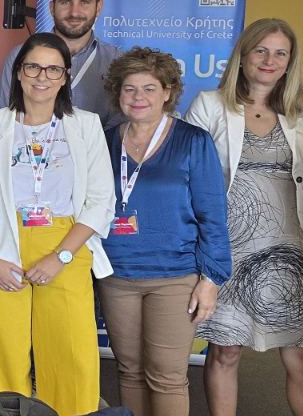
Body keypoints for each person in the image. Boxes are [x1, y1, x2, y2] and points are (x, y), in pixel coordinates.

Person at [184, 18, 303, 416]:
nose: (270, 60)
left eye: (280, 53)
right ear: (243, 56)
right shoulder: (209, 105)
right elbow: (188, 181)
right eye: (261, 50)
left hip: (289, 248)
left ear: (290, 61)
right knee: (225, 351)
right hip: (225, 247)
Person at [0, 32, 113, 416]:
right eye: (33, 67)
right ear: (19, 73)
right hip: (0, 247)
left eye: (53, 69)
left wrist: (59, 257)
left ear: (65, 76)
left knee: (70, 353)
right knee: (4, 354)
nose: (42, 77)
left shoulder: (86, 125)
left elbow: (100, 202)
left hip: (65, 247)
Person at [98, 47, 232, 416]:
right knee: (129, 370)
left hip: (175, 276)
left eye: (149, 88)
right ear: (117, 93)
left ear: (168, 92)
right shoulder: (104, 141)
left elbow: (213, 216)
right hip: (115, 274)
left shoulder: (193, 141)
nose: (138, 97)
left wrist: (211, 279)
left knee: (167, 376)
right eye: (129, 89)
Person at [0, 0, 123, 128]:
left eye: (84, 2)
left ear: (98, 8)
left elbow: (121, 126)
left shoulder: (116, 60)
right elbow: (7, 118)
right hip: (31, 144)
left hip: (97, 143)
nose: (74, 12)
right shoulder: (20, 55)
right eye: (65, 2)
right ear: (52, 7)